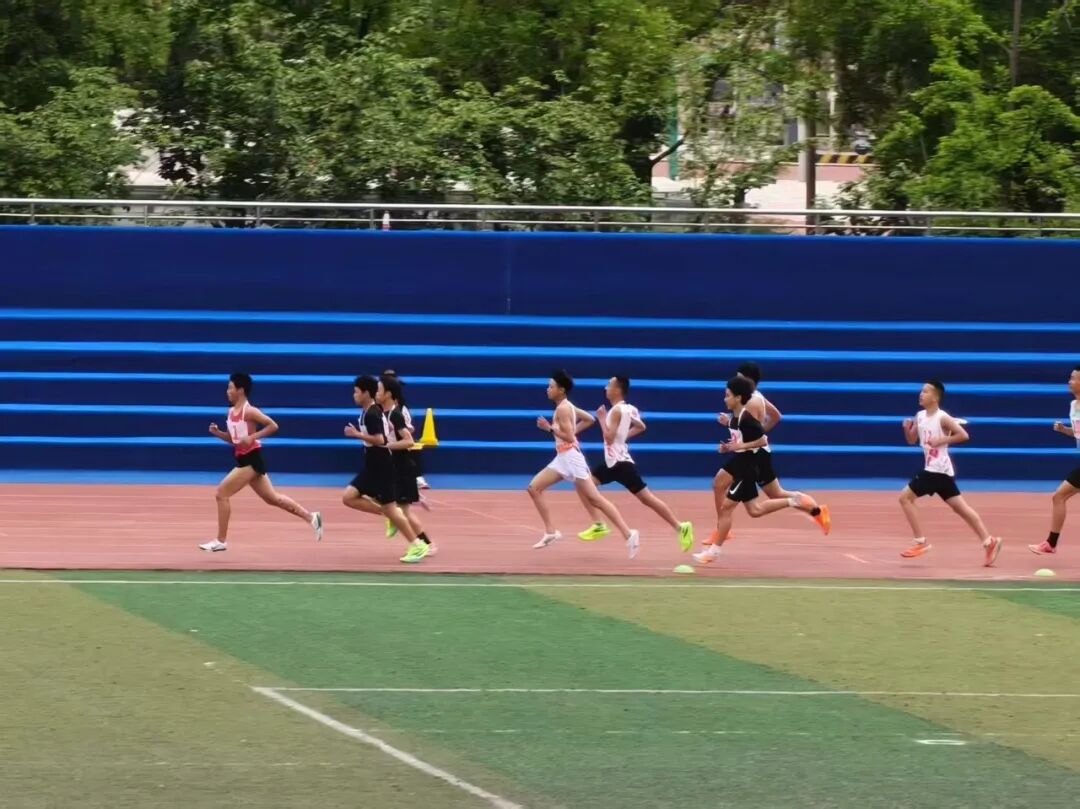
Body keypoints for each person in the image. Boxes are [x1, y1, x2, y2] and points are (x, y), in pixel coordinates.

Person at [694, 375, 824, 565]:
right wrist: (728, 443)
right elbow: (738, 429)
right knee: (754, 510)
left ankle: (713, 552)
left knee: (728, 507)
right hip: (741, 462)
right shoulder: (737, 417)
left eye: (727, 395)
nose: (724, 399)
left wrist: (738, 446)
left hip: (747, 466)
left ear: (738, 397)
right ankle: (793, 501)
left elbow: (762, 440)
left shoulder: (746, 418)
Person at [200, 372, 322, 552]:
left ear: (241, 390)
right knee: (273, 498)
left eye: (230, 387)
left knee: (221, 493)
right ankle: (312, 517)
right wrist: (218, 434)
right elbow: (235, 440)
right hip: (243, 459)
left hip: (251, 460)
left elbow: (273, 425)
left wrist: (253, 437)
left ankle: (221, 540)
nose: (227, 391)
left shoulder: (249, 411)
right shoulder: (231, 412)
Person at [527, 370, 641, 558]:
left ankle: (628, 534)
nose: (548, 389)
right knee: (534, 488)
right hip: (563, 458)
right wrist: (567, 433)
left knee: (595, 499)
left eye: (551, 386)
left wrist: (550, 428)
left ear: (561, 390)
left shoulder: (563, 409)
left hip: (572, 459)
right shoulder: (568, 406)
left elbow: (569, 436)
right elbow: (589, 419)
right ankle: (551, 532)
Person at [576, 376, 694, 552]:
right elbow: (641, 427)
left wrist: (601, 418)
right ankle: (598, 524)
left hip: (619, 464)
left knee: (645, 498)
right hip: (616, 462)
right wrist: (622, 438)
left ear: (618, 389)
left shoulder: (615, 411)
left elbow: (609, 438)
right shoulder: (630, 408)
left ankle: (680, 527)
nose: (606, 388)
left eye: (609, 385)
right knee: (584, 484)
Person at [898, 379, 1002, 566]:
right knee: (961, 508)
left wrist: (941, 440)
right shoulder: (919, 416)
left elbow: (963, 435)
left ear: (935, 397)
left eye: (926, 391)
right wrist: (907, 429)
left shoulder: (942, 417)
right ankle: (989, 542)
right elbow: (912, 440)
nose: (921, 394)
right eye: (921, 391)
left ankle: (920, 542)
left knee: (905, 498)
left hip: (935, 470)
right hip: (942, 471)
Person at [342, 375, 427, 563]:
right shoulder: (370, 412)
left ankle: (417, 545)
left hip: (382, 466)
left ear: (366, 393)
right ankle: (390, 516)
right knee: (349, 497)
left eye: (356, 392)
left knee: (389, 508)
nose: (354, 395)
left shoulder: (372, 413)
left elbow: (380, 440)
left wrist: (357, 434)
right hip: (372, 465)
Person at [1030, 365, 1080, 555]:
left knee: (1059, 496)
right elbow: (1078, 433)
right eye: (1070, 377)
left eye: (1074, 378)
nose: (1070, 381)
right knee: (1059, 496)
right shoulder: (1073, 406)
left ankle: (1051, 543)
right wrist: (1064, 430)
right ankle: (1051, 543)